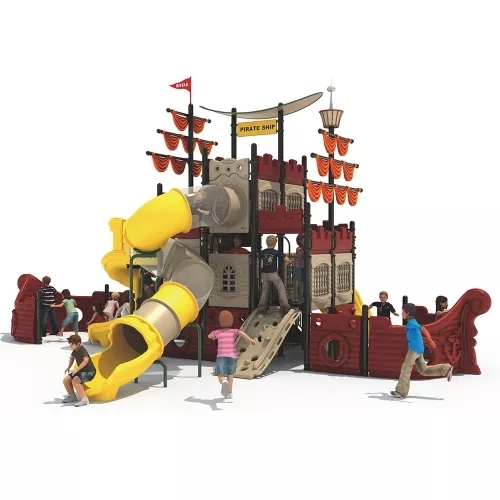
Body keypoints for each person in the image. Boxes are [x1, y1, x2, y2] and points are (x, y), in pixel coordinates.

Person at [390, 303, 453, 399]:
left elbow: (423, 329)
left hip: (414, 349)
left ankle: (401, 391)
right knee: (424, 370)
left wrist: (430, 340)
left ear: (408, 313)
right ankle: (446, 369)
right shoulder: (412, 321)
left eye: (403, 312)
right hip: (419, 349)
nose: (402, 313)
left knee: (405, 369)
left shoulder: (412, 323)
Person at [207, 310, 256, 401]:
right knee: (230, 375)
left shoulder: (217, 332)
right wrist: (250, 340)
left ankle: (223, 381)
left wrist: (213, 337)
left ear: (220, 322)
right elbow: (241, 333)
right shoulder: (233, 331)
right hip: (232, 356)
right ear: (231, 321)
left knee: (220, 375)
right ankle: (229, 393)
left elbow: (209, 336)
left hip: (221, 357)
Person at [258, 235, 291, 314]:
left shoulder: (263, 252)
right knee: (280, 288)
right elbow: (287, 259)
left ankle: (262, 307)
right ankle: (284, 305)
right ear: (275, 243)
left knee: (264, 290)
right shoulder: (276, 252)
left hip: (264, 274)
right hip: (273, 273)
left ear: (266, 243)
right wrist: (286, 263)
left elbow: (259, 258)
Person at [62, 334, 96, 407]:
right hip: (81, 371)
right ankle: (72, 396)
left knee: (75, 381)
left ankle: (84, 400)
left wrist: (77, 369)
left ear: (77, 344)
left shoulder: (82, 350)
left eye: (71, 344)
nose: (70, 346)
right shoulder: (75, 350)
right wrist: (68, 367)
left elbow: (86, 360)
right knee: (66, 380)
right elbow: (72, 357)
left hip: (90, 372)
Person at [293, 234, 305, 301]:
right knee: (296, 283)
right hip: (298, 267)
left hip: (302, 267)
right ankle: (294, 298)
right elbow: (301, 255)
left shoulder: (301, 249)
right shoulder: (299, 249)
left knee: (302, 283)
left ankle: (300, 297)